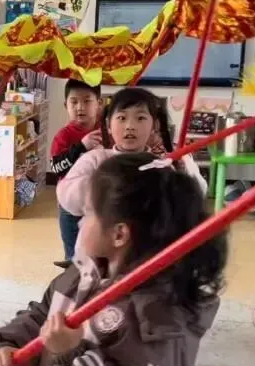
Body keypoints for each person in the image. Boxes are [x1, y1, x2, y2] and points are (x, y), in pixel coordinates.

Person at [0, 152, 228, 366]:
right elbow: (44, 314)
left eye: (88, 213)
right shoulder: (82, 273)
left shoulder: (158, 320)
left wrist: (70, 355)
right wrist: (8, 345)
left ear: (119, 234)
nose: (80, 221)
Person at [57, 88, 207, 260]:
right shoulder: (96, 159)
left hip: (146, 255)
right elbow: (66, 197)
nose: (130, 126)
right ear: (108, 124)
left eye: (140, 118)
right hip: (98, 256)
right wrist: (106, 183)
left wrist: (184, 170)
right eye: (122, 118)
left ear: (154, 126)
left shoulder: (161, 164)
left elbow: (197, 196)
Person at [50, 79, 102, 261]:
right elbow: (56, 168)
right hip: (70, 205)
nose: (80, 107)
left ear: (99, 103)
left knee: (97, 253)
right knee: (73, 256)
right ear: (66, 105)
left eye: (87, 101)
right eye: (74, 102)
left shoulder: (107, 131)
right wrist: (81, 146)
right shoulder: (63, 136)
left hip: (100, 203)